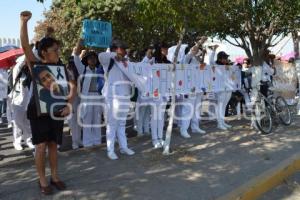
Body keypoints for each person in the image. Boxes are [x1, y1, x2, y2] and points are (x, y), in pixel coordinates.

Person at [20, 11, 76, 195]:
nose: (58, 53)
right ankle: (42, 180)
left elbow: (72, 85)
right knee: (41, 146)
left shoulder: (60, 68)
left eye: (58, 50)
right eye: (54, 50)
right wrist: (24, 23)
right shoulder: (35, 65)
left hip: (56, 110)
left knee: (53, 145)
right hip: (38, 111)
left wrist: (69, 104)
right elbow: (26, 48)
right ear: (44, 52)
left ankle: (55, 176)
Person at [98, 39, 136, 160]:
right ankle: (110, 150)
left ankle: (123, 147)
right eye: (122, 48)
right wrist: (115, 55)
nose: (125, 51)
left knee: (122, 123)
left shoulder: (126, 61)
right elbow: (100, 56)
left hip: (124, 95)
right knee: (112, 124)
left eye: (125, 49)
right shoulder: (108, 60)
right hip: (112, 97)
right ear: (115, 49)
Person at [73, 40, 104, 148]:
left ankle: (97, 142)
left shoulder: (100, 70)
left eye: (94, 58)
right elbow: (76, 58)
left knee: (97, 121)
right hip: (87, 98)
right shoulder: (83, 70)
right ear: (87, 60)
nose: (93, 59)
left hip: (98, 97)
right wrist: (79, 44)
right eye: (90, 58)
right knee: (87, 121)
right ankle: (87, 143)